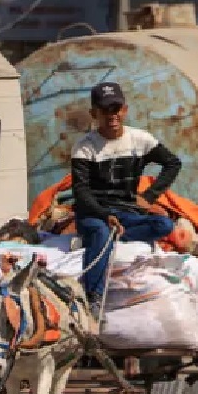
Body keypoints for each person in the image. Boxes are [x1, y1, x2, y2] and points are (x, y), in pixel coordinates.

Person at [70, 82, 182, 313]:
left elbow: (173, 163)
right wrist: (105, 215)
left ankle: (117, 236)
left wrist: (150, 195)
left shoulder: (140, 139)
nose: (112, 115)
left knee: (164, 224)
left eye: (116, 108)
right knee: (101, 231)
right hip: (95, 213)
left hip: (127, 212)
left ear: (125, 110)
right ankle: (94, 297)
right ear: (94, 114)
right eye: (105, 110)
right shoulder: (85, 147)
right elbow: (81, 192)